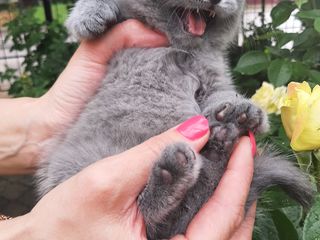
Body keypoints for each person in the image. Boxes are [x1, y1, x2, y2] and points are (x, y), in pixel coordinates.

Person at [0, 20, 256, 239]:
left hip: (157, 151)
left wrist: (230, 109)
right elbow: (87, 21)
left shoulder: (204, 48)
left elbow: (215, 91)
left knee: (214, 160)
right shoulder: (129, 20)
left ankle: (173, 191)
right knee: (78, 169)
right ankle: (155, 202)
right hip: (103, 141)